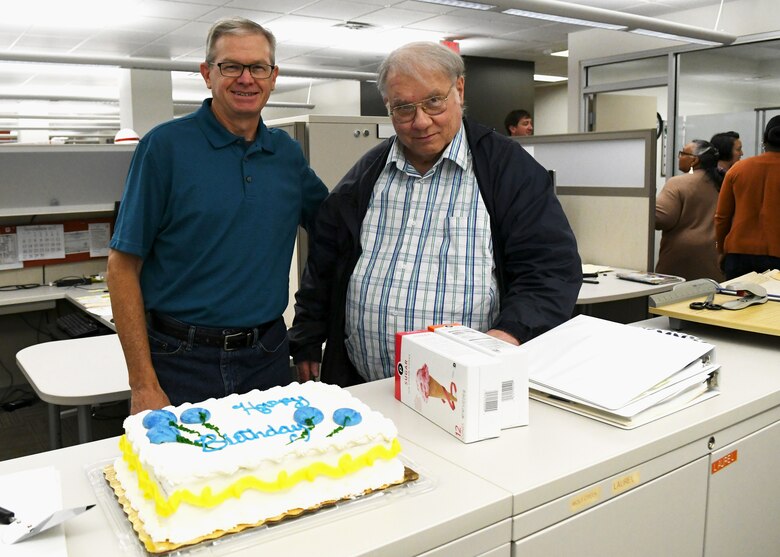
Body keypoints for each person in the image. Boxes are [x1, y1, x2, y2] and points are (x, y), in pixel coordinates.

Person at [290, 42, 581, 386]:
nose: (421, 121)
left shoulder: (509, 172)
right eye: (403, 108)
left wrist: (510, 333)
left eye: (433, 101)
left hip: (463, 390)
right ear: (388, 107)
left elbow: (550, 270)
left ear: (458, 89)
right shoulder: (366, 175)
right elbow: (324, 264)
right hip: (365, 385)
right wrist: (307, 337)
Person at [108, 17, 328, 413]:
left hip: (268, 355)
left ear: (273, 76)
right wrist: (142, 382)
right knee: (183, 472)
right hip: (181, 359)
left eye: (258, 67)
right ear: (207, 74)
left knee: (270, 467)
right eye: (231, 67)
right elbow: (122, 267)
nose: (246, 79)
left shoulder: (287, 154)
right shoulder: (165, 148)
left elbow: (334, 226)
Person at [715, 115, 780, 280]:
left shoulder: (739, 169)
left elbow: (722, 217)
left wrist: (722, 249)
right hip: (777, 256)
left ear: (764, 141)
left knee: (733, 304)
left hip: (738, 255)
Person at [655, 139, 724, 282]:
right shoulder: (722, 182)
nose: (679, 157)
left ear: (694, 161)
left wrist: (647, 205)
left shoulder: (677, 183)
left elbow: (662, 219)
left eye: (682, 153)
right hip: (715, 255)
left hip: (683, 258)